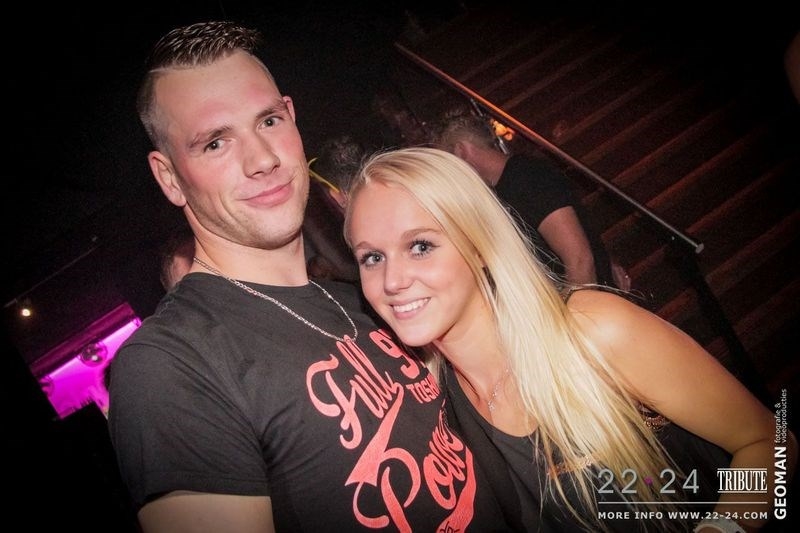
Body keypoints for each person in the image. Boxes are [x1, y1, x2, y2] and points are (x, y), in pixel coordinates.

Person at [107, 22, 518, 532]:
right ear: (169, 177)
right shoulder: (171, 365)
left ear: (293, 118)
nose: (262, 159)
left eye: (269, 121)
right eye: (215, 143)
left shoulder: (371, 298)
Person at [344, 147, 796, 533]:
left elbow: (772, 442)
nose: (393, 280)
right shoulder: (440, 409)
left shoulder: (591, 331)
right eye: (372, 258)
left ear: (479, 245)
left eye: (420, 246)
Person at [430, 109, 630, 290]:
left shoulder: (526, 177)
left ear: (460, 151)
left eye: (448, 163)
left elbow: (580, 260)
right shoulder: (504, 187)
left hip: (593, 306)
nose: (450, 175)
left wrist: (578, 315)